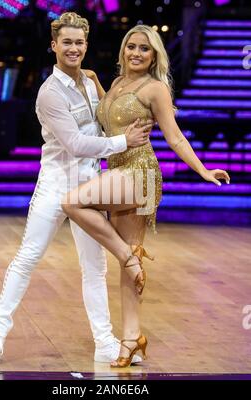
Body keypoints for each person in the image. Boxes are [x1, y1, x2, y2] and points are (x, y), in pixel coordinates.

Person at [0, 13, 152, 367]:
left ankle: (104, 342)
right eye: (67, 42)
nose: (73, 48)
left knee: (95, 269)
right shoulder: (49, 92)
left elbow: (100, 127)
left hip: (89, 190)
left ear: (86, 45)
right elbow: (74, 143)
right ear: (54, 46)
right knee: (27, 259)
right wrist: (124, 141)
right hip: (55, 187)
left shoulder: (89, 84)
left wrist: (119, 128)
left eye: (79, 42)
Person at [62, 24, 231, 368]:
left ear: (155, 56)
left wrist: (203, 170)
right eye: (131, 47)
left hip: (140, 174)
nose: (136, 53)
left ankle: (126, 254)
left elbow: (176, 138)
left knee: (72, 202)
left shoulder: (155, 89)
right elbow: (111, 118)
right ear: (123, 50)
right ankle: (131, 340)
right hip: (118, 170)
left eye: (144, 49)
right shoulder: (119, 84)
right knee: (128, 273)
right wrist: (95, 84)